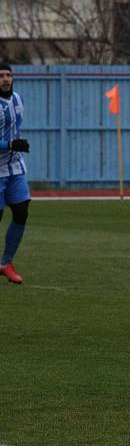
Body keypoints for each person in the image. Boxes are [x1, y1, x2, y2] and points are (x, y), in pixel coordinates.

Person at [0, 63, 32, 285]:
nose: (5, 79)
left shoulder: (18, 99)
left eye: (8, 75)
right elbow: (10, 138)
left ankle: (6, 263)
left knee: (21, 212)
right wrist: (10, 143)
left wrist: (16, 145)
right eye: (1, 76)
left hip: (15, 167)